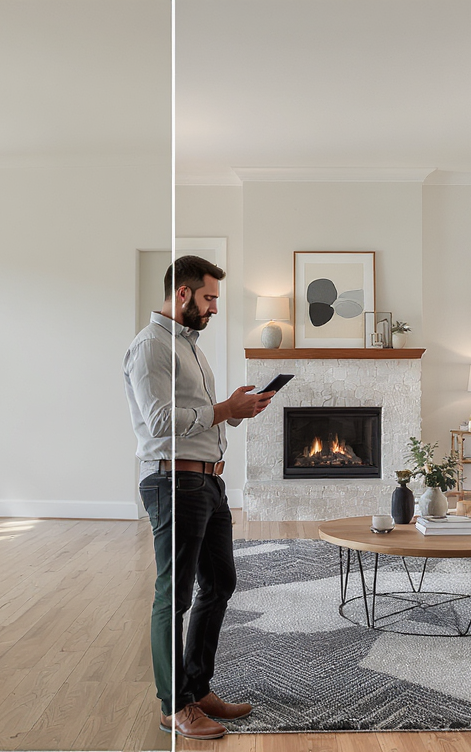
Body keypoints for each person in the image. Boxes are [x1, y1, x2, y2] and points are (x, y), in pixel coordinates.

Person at [123, 255, 274, 740]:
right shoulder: (150, 347)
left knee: (221, 583)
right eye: (208, 298)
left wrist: (234, 410)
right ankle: (175, 705)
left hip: (207, 480)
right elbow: (160, 422)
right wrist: (223, 408)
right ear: (183, 294)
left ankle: (197, 687)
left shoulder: (189, 347)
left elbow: (195, 413)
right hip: (174, 482)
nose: (213, 308)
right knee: (176, 594)